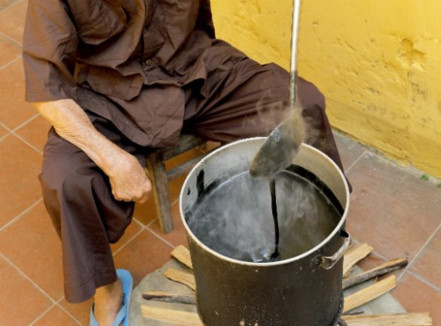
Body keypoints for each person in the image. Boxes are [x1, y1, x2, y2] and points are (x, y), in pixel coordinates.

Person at [23, 0, 346, 325]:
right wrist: (111, 159)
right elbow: (47, 92)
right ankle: (106, 290)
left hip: (195, 70)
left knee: (304, 105)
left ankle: (319, 236)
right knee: (65, 178)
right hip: (111, 95)